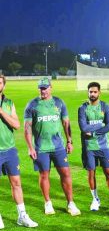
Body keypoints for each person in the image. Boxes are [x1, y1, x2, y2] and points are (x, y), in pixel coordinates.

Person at [24, 77, 80, 216]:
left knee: (66, 173)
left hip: (58, 147)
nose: (43, 90)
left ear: (51, 87)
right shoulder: (32, 105)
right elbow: (27, 128)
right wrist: (30, 147)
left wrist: (69, 141)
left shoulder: (59, 103)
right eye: (41, 88)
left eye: (45, 88)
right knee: (44, 175)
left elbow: (66, 123)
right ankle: (48, 203)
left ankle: (70, 203)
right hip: (41, 148)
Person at [78, 82, 109, 213]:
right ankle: (95, 199)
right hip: (89, 147)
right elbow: (83, 128)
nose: (92, 94)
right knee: (91, 173)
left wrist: (93, 132)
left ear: (99, 92)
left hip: (104, 146)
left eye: (94, 92)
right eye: (90, 92)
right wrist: (101, 126)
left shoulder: (105, 106)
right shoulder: (82, 108)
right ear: (88, 93)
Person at [0, 75, 38, 229]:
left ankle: (22, 215)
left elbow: (16, 124)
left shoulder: (9, 103)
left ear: (3, 85)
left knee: (16, 183)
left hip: (9, 150)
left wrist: (1, 112)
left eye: (0, 82)